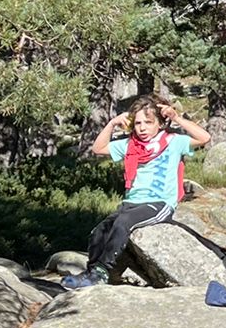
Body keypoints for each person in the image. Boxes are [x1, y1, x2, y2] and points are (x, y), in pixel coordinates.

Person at [63, 96, 210, 289]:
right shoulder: (130, 145)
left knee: (123, 223)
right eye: (138, 123)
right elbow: (98, 148)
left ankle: (101, 272)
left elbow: (204, 138)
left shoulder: (173, 142)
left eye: (148, 122)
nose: (142, 128)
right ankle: (91, 272)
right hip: (131, 203)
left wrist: (176, 118)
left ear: (159, 124)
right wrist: (112, 123)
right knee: (99, 231)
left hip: (159, 203)